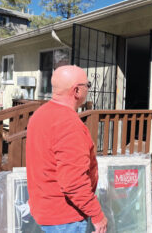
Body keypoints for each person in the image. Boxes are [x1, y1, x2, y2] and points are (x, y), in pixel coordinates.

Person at [26, 65, 107, 233]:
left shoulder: (40, 114)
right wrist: (97, 215)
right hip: (65, 218)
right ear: (76, 90)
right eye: (88, 85)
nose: (88, 89)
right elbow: (73, 182)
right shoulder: (69, 124)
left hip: (45, 209)